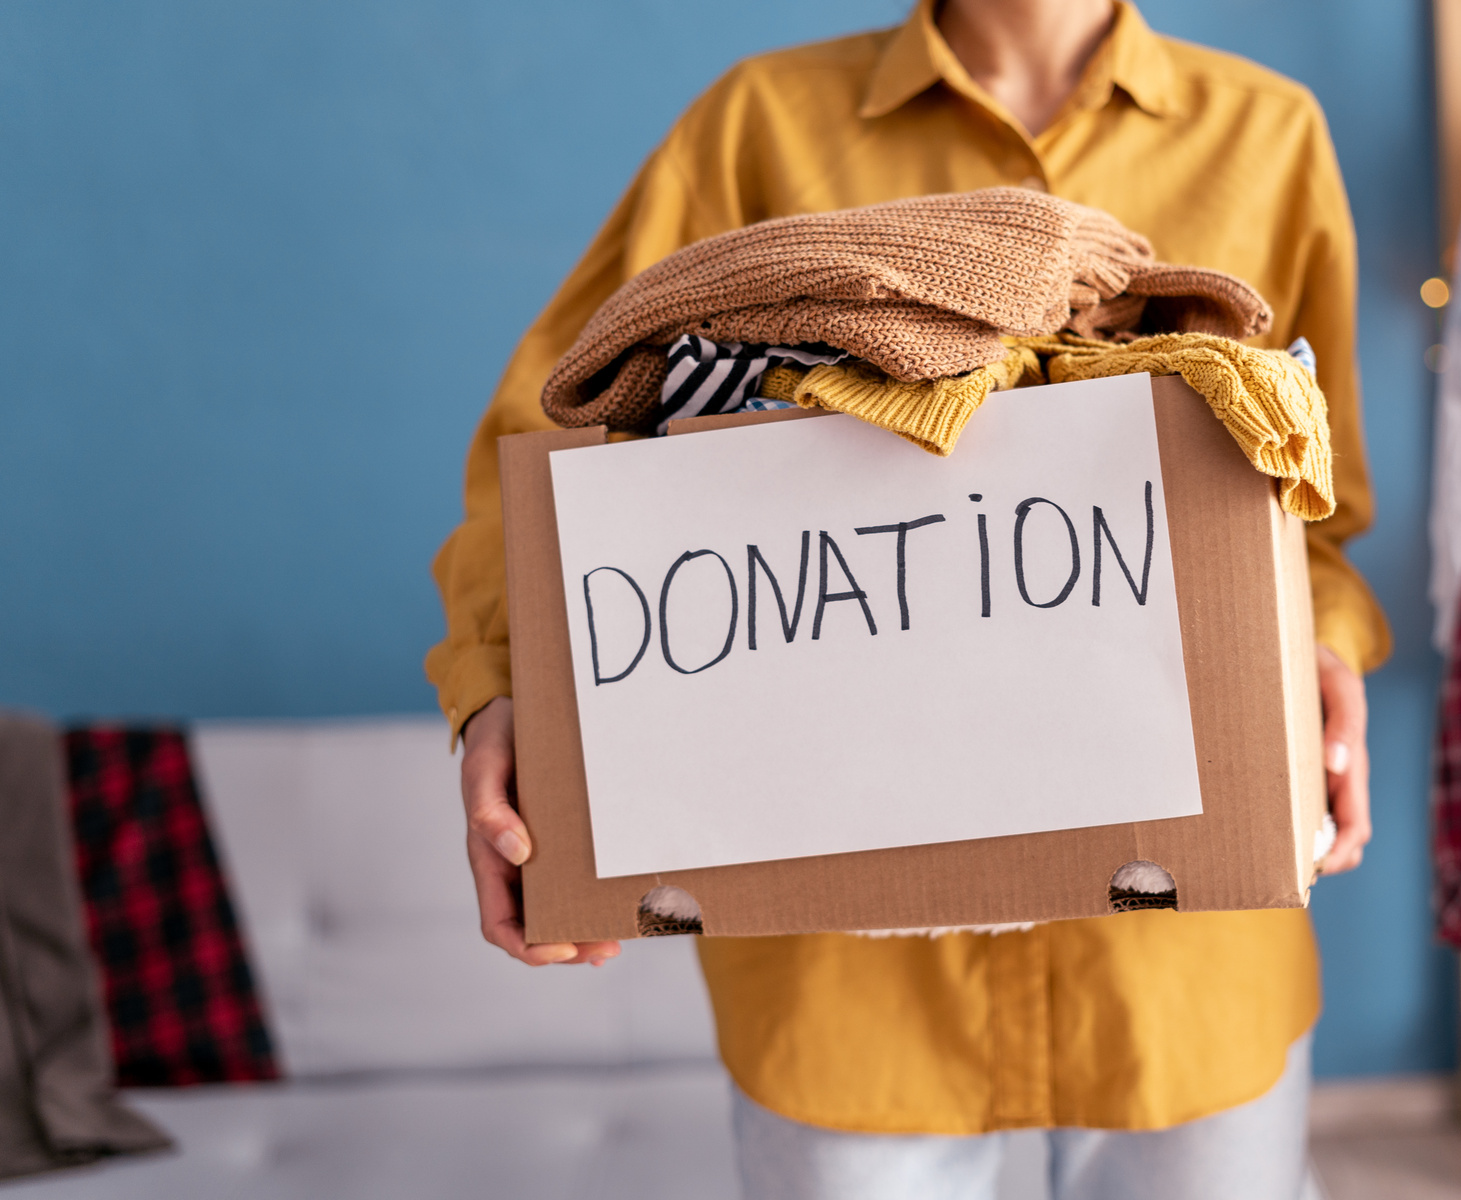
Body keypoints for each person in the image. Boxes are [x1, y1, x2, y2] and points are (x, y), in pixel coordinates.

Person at [428, 1, 1389, 1196]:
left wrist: (1327, 649)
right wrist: (503, 685)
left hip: (1193, 974)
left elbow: (1317, 511)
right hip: (844, 996)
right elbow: (554, 439)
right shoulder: (757, 125)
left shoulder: (1270, 132)